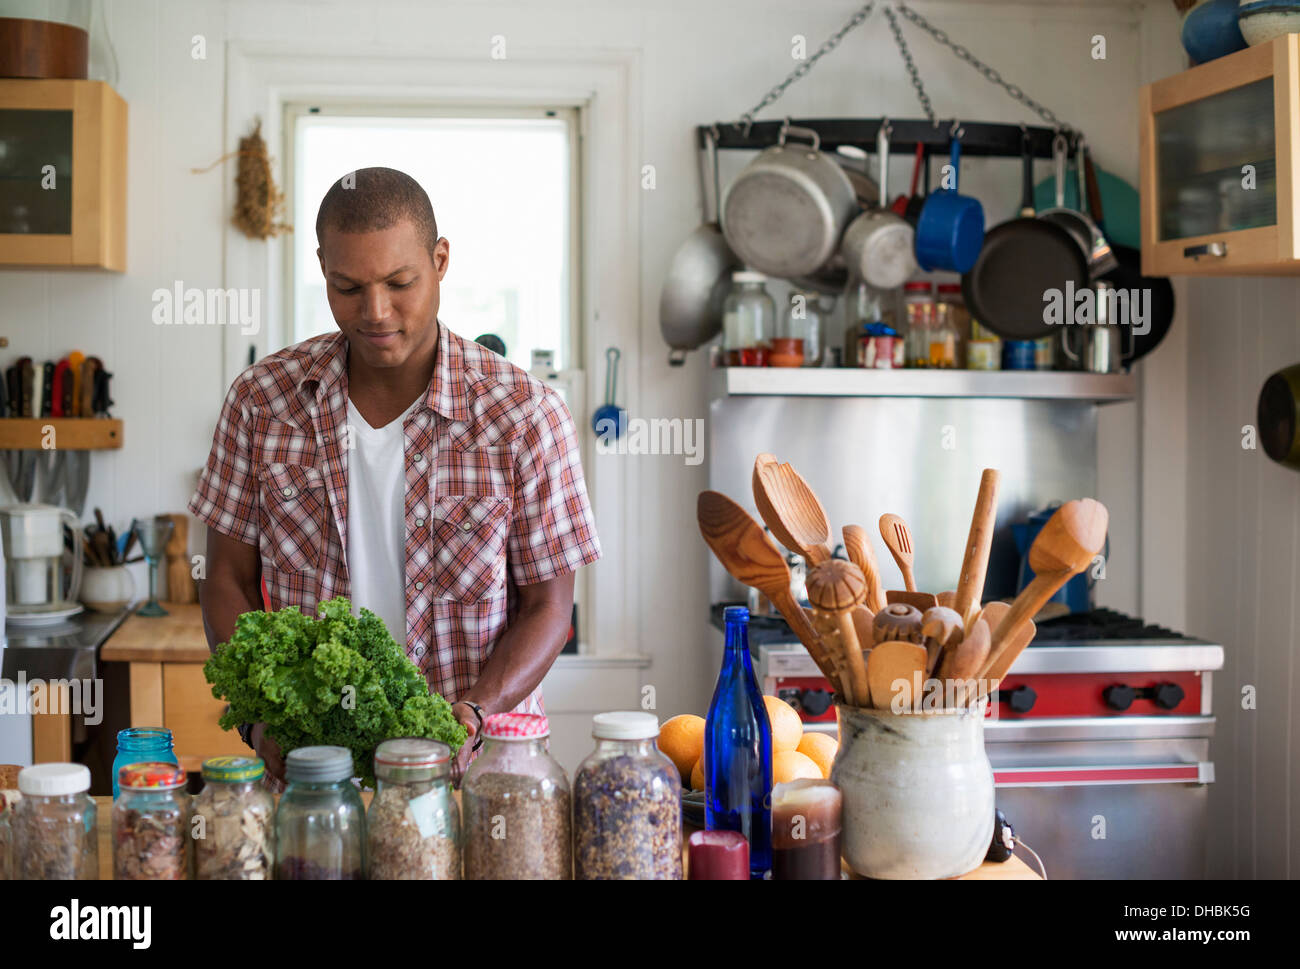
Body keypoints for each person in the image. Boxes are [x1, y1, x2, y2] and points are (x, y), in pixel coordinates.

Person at [188, 167, 600, 784]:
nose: (375, 312)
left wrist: (473, 713)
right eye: (347, 287)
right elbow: (225, 577)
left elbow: (549, 607)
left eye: (400, 282)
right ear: (323, 267)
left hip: (479, 773)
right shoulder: (262, 402)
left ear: (440, 261)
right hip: (312, 773)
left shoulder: (524, 414)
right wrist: (259, 715)